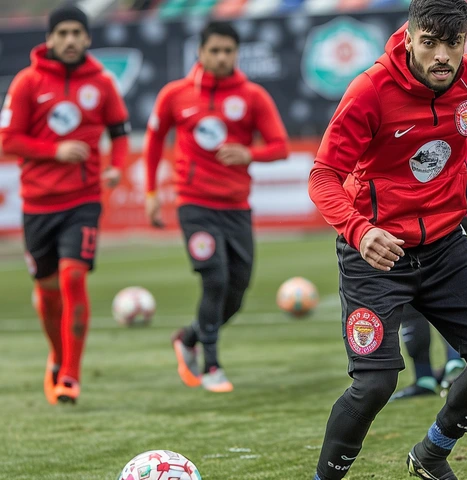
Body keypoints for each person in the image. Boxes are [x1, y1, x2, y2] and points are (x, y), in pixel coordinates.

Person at [308, 1, 467, 478]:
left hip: (446, 246)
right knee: (374, 385)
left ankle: (430, 454)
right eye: (430, 43)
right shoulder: (369, 91)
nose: (442, 56)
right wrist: (360, 231)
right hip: (378, 254)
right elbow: (323, 176)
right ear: (409, 38)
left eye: (453, 43)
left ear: (466, 40)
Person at [144, 22, 288, 393]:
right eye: (215, 50)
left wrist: (248, 153)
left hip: (236, 207)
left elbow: (280, 146)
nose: (222, 57)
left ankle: (189, 337)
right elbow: (155, 139)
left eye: (229, 51)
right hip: (194, 203)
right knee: (215, 278)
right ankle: (211, 366)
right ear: (201, 52)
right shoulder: (175, 95)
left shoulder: (252, 96)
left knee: (236, 293)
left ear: (236, 54)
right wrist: (150, 193)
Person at [0, 6, 129, 405]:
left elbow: (120, 134)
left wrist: (116, 169)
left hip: (84, 200)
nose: (71, 40)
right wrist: (55, 150)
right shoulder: (26, 83)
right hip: (38, 204)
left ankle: (71, 374)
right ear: (51, 39)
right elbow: (8, 141)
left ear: (88, 38)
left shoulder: (103, 84)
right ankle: (57, 357)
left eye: (78, 33)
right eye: (64, 33)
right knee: (48, 291)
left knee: (74, 278)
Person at [391, 146, 467, 401]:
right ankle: (441, 370)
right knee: (428, 286)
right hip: (454, 203)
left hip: (440, 206)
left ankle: (436, 372)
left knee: (417, 289)